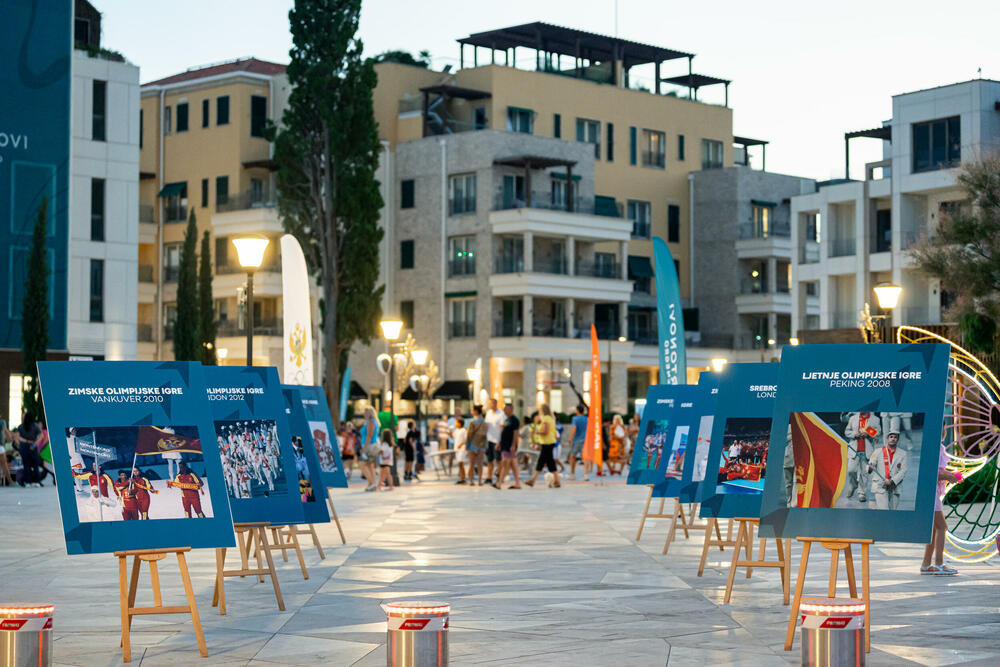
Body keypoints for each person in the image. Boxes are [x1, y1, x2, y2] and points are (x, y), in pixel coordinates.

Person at [921, 442, 961, 575]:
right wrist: (948, 476)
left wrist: (950, 474)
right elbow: (929, 474)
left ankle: (926, 565)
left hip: (933, 493)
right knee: (942, 526)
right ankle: (939, 564)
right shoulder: (932, 446)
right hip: (929, 493)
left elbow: (938, 471)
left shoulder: (939, 446)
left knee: (933, 529)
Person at [866, 427, 908, 510]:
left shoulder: (903, 454)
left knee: (893, 511)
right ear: (887, 438)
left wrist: (892, 481)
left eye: (895, 437)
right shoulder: (877, 451)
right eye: (891, 437)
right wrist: (870, 468)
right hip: (880, 486)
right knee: (883, 510)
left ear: (898, 439)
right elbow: (870, 464)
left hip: (895, 487)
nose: (893, 439)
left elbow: (903, 470)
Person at [845, 411, 880, 503]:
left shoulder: (875, 419)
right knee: (851, 470)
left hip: (867, 450)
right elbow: (847, 431)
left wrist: (868, 432)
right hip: (854, 449)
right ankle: (853, 485)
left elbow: (878, 433)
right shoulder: (853, 418)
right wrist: (854, 434)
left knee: (864, 473)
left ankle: (862, 493)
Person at [526, 403, 561, 488]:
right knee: (549, 461)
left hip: (547, 443)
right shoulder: (551, 418)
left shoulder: (545, 419)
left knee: (542, 461)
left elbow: (545, 431)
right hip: (549, 442)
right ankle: (556, 481)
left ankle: (533, 480)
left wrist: (536, 432)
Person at [11, 412, 44, 487]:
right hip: (33, 446)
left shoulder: (21, 426)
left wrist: (25, 441)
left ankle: (28, 482)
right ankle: (36, 482)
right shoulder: (35, 426)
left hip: (24, 447)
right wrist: (35, 443)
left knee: (26, 465)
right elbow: (41, 436)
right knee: (35, 465)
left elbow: (17, 437)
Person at [495, 403, 522, 489]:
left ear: (511, 409)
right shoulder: (507, 420)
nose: (504, 410)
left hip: (510, 446)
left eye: (506, 409)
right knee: (513, 464)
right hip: (504, 444)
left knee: (505, 463)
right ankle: (517, 483)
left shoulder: (514, 420)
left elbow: (516, 433)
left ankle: (499, 483)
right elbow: (503, 432)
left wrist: (513, 445)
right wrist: (499, 443)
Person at [359, 407, 380, 491]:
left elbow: (369, 435)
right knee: (370, 465)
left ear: (369, 413)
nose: (364, 414)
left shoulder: (371, 422)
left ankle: (372, 483)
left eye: (365, 413)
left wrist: (364, 448)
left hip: (370, 446)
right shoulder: (373, 422)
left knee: (362, 464)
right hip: (372, 445)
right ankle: (371, 484)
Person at [484, 398, 505, 485]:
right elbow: (486, 425)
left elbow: (502, 428)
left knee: (498, 460)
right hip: (489, 439)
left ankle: (500, 477)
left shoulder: (501, 414)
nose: (490, 405)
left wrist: (499, 441)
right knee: (490, 460)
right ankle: (489, 477)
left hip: (497, 440)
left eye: (492, 404)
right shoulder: (488, 413)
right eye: (489, 404)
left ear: (495, 404)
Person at [568, 404, 589, 481]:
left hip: (576, 440)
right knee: (585, 457)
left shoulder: (575, 419)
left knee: (572, 456)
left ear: (577, 410)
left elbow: (574, 429)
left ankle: (572, 474)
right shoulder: (587, 419)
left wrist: (570, 439)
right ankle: (586, 475)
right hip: (585, 440)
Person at [466, 406, 486, 485]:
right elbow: (485, 433)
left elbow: (469, 434)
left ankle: (471, 481)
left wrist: (467, 444)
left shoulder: (472, 422)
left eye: (472, 410)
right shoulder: (484, 421)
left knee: (471, 464)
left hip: (472, 444)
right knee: (480, 464)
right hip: (481, 444)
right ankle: (480, 481)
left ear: (476, 411)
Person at [453, 417, 469, 484]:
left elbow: (466, 439)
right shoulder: (456, 430)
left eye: (456, 422)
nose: (455, 424)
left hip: (462, 449)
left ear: (460, 423)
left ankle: (463, 478)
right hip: (457, 449)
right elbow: (453, 437)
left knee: (460, 463)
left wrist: (461, 444)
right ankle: (461, 478)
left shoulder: (464, 430)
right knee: (459, 464)